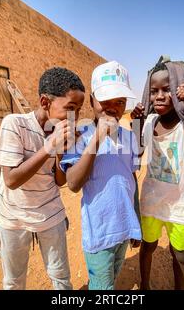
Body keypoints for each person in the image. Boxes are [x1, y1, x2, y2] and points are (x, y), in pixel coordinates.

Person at [0, 67, 85, 290]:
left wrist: (61, 150)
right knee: (14, 281)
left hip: (49, 215)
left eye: (79, 110)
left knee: (60, 276)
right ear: (45, 102)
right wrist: (48, 147)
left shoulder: (60, 132)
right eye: (70, 108)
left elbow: (60, 181)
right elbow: (12, 180)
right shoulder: (15, 124)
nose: (75, 117)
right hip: (13, 218)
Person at [60, 61, 142, 290]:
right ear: (91, 100)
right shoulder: (81, 136)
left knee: (112, 279)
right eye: (105, 100)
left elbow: (131, 180)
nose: (113, 107)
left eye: (120, 101)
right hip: (100, 235)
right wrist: (97, 138)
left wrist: (136, 223)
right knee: (102, 288)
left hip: (125, 228)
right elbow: (73, 183)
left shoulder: (129, 137)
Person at [131, 61, 184, 290]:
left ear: (181, 88)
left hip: (182, 203)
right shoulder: (149, 123)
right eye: (153, 91)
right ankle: (145, 286)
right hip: (152, 201)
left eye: (167, 89)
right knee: (148, 247)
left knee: (180, 255)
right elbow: (136, 152)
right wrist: (136, 123)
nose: (159, 96)